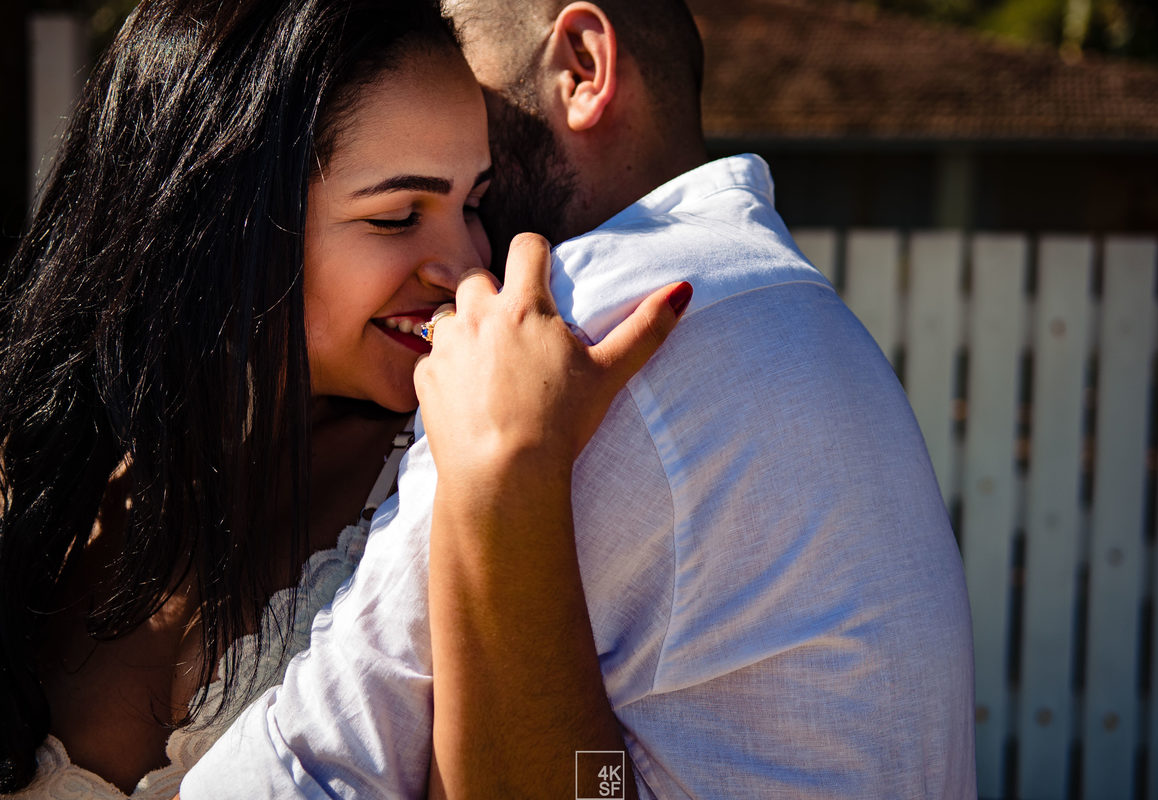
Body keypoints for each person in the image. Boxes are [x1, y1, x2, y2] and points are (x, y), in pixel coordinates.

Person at [184, 0, 978, 798]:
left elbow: (310, 767)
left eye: (468, 85)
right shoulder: (807, 312)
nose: (464, 256)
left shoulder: (578, 316)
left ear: (582, 66)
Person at [0, 0, 683, 796]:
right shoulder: (37, 484)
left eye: (474, 206)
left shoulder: (442, 474)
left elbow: (584, 789)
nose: (467, 268)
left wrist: (511, 477)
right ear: (218, 219)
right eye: (398, 216)